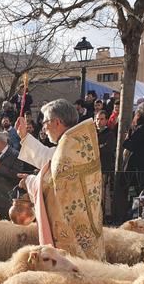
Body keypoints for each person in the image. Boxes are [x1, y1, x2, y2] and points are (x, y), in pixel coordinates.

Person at [16, 99, 104, 259]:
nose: (43, 127)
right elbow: (51, 159)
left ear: (57, 122)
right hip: (86, 223)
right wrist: (24, 136)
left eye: (45, 122)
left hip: (71, 230)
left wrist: (29, 181)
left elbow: (51, 183)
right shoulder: (76, 142)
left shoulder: (68, 147)